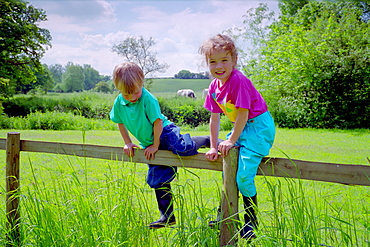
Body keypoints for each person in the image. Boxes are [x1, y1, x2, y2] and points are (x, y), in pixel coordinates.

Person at [110, 62, 212, 229]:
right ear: (118, 88)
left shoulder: (148, 99)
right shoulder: (119, 103)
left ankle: (207, 140)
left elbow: (157, 123)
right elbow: (119, 122)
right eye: (127, 95)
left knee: (182, 148)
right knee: (158, 178)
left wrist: (156, 145)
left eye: (136, 92)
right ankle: (167, 216)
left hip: (164, 132)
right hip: (150, 142)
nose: (133, 97)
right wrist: (127, 143)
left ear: (141, 83)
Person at [199, 34, 276, 240]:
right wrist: (214, 146)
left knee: (243, 176)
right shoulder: (214, 87)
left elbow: (243, 114)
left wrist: (231, 140)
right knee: (227, 172)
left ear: (234, 60)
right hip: (241, 128)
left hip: (257, 128)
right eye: (213, 61)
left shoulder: (239, 81)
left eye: (224, 59)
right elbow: (214, 120)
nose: (219, 66)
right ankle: (224, 215)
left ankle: (251, 221)